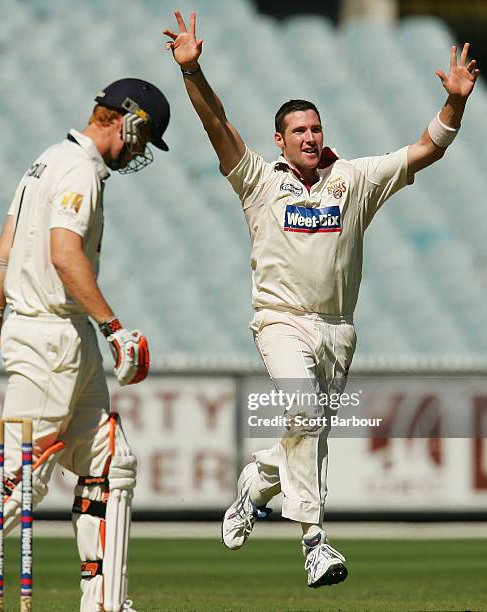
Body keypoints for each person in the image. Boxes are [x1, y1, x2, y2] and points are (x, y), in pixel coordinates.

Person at [164, 10, 479, 587]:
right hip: (280, 321)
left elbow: (425, 149)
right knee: (304, 412)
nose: (310, 137)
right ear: (279, 140)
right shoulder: (260, 180)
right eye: (298, 131)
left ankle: (253, 488)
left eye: (316, 128)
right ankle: (314, 541)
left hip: (338, 328)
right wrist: (193, 72)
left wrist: (455, 104)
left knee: (301, 428)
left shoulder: (353, 179)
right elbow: (218, 126)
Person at [0, 77, 170, 612]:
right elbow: (65, 255)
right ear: (127, 119)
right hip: (53, 337)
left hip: (60, 335)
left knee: (111, 464)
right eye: (144, 136)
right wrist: (115, 328)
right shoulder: (79, 172)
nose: (140, 149)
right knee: (20, 478)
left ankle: (106, 603)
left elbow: (2, 247)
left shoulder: (44, 161)